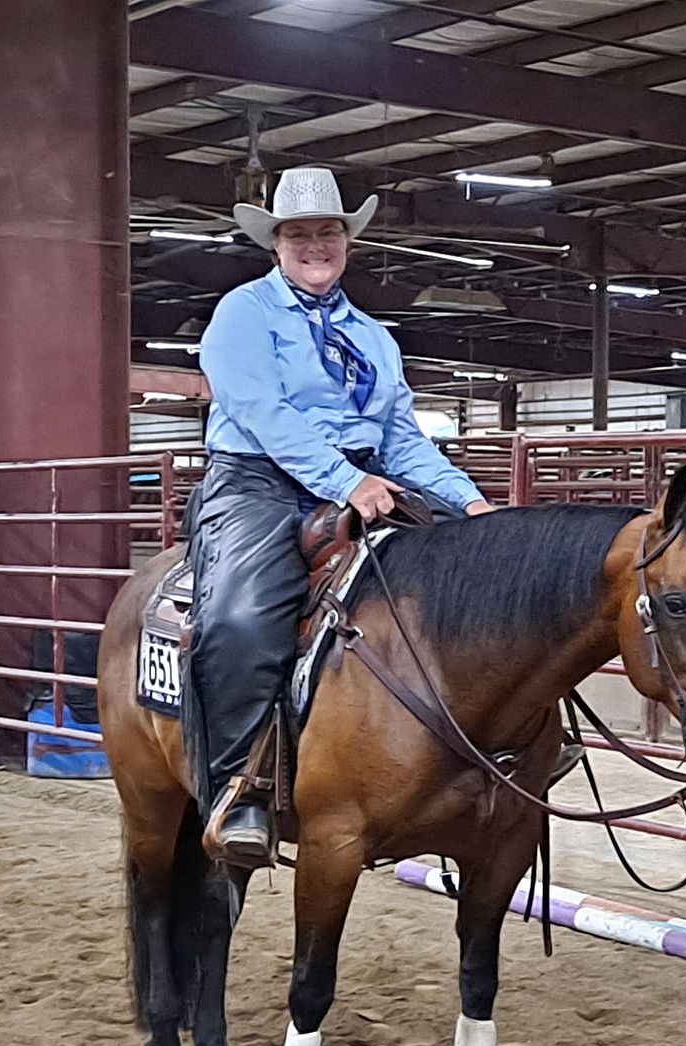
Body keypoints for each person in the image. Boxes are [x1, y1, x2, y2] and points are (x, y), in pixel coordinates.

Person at [189, 165, 494, 868]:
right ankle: (242, 790)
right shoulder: (243, 314)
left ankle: (487, 752)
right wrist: (345, 480)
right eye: (300, 234)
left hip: (359, 479)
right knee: (240, 618)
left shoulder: (373, 337)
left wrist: (469, 501)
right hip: (259, 483)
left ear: (348, 242)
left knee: (474, 591)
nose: (316, 245)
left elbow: (401, 438)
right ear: (276, 243)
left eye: (329, 232)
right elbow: (262, 413)